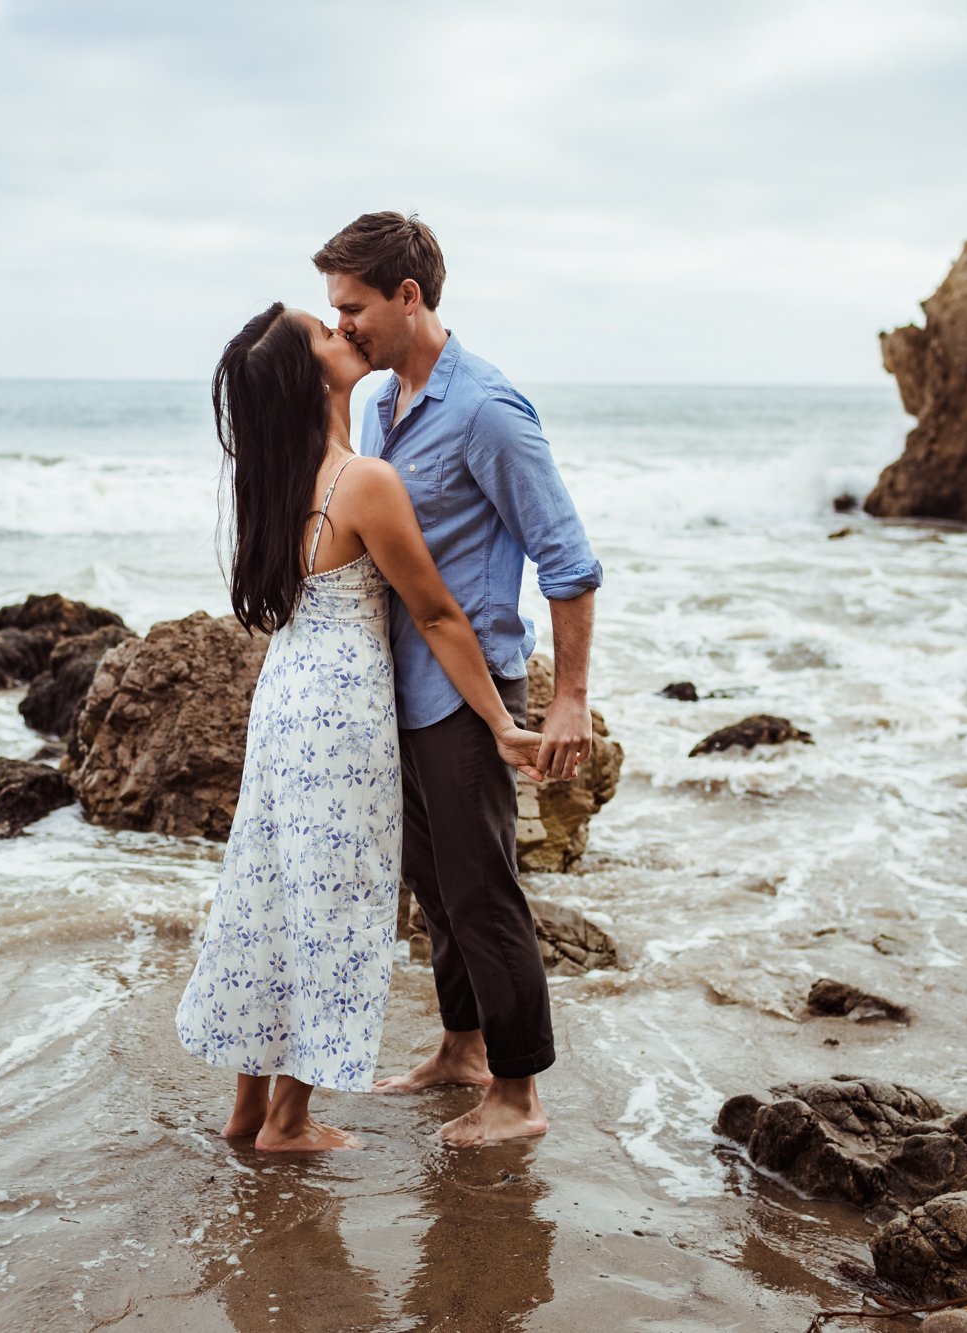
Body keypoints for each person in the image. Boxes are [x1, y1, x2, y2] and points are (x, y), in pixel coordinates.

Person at [175, 300, 547, 1151]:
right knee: (333, 901)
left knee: (269, 891)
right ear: (309, 378)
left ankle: (247, 1110)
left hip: (285, 702)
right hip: (342, 717)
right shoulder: (361, 480)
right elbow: (441, 615)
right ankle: (290, 1122)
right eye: (323, 333)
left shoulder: (276, 480)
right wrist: (498, 721)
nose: (343, 332)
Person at [314, 212, 602, 1147]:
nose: (342, 325)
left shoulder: (486, 409)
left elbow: (568, 558)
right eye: (333, 309)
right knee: (435, 885)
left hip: (470, 689)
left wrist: (569, 698)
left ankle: (518, 1096)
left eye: (353, 307)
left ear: (408, 295)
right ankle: (462, 1047)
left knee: (483, 887)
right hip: (394, 682)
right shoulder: (378, 402)